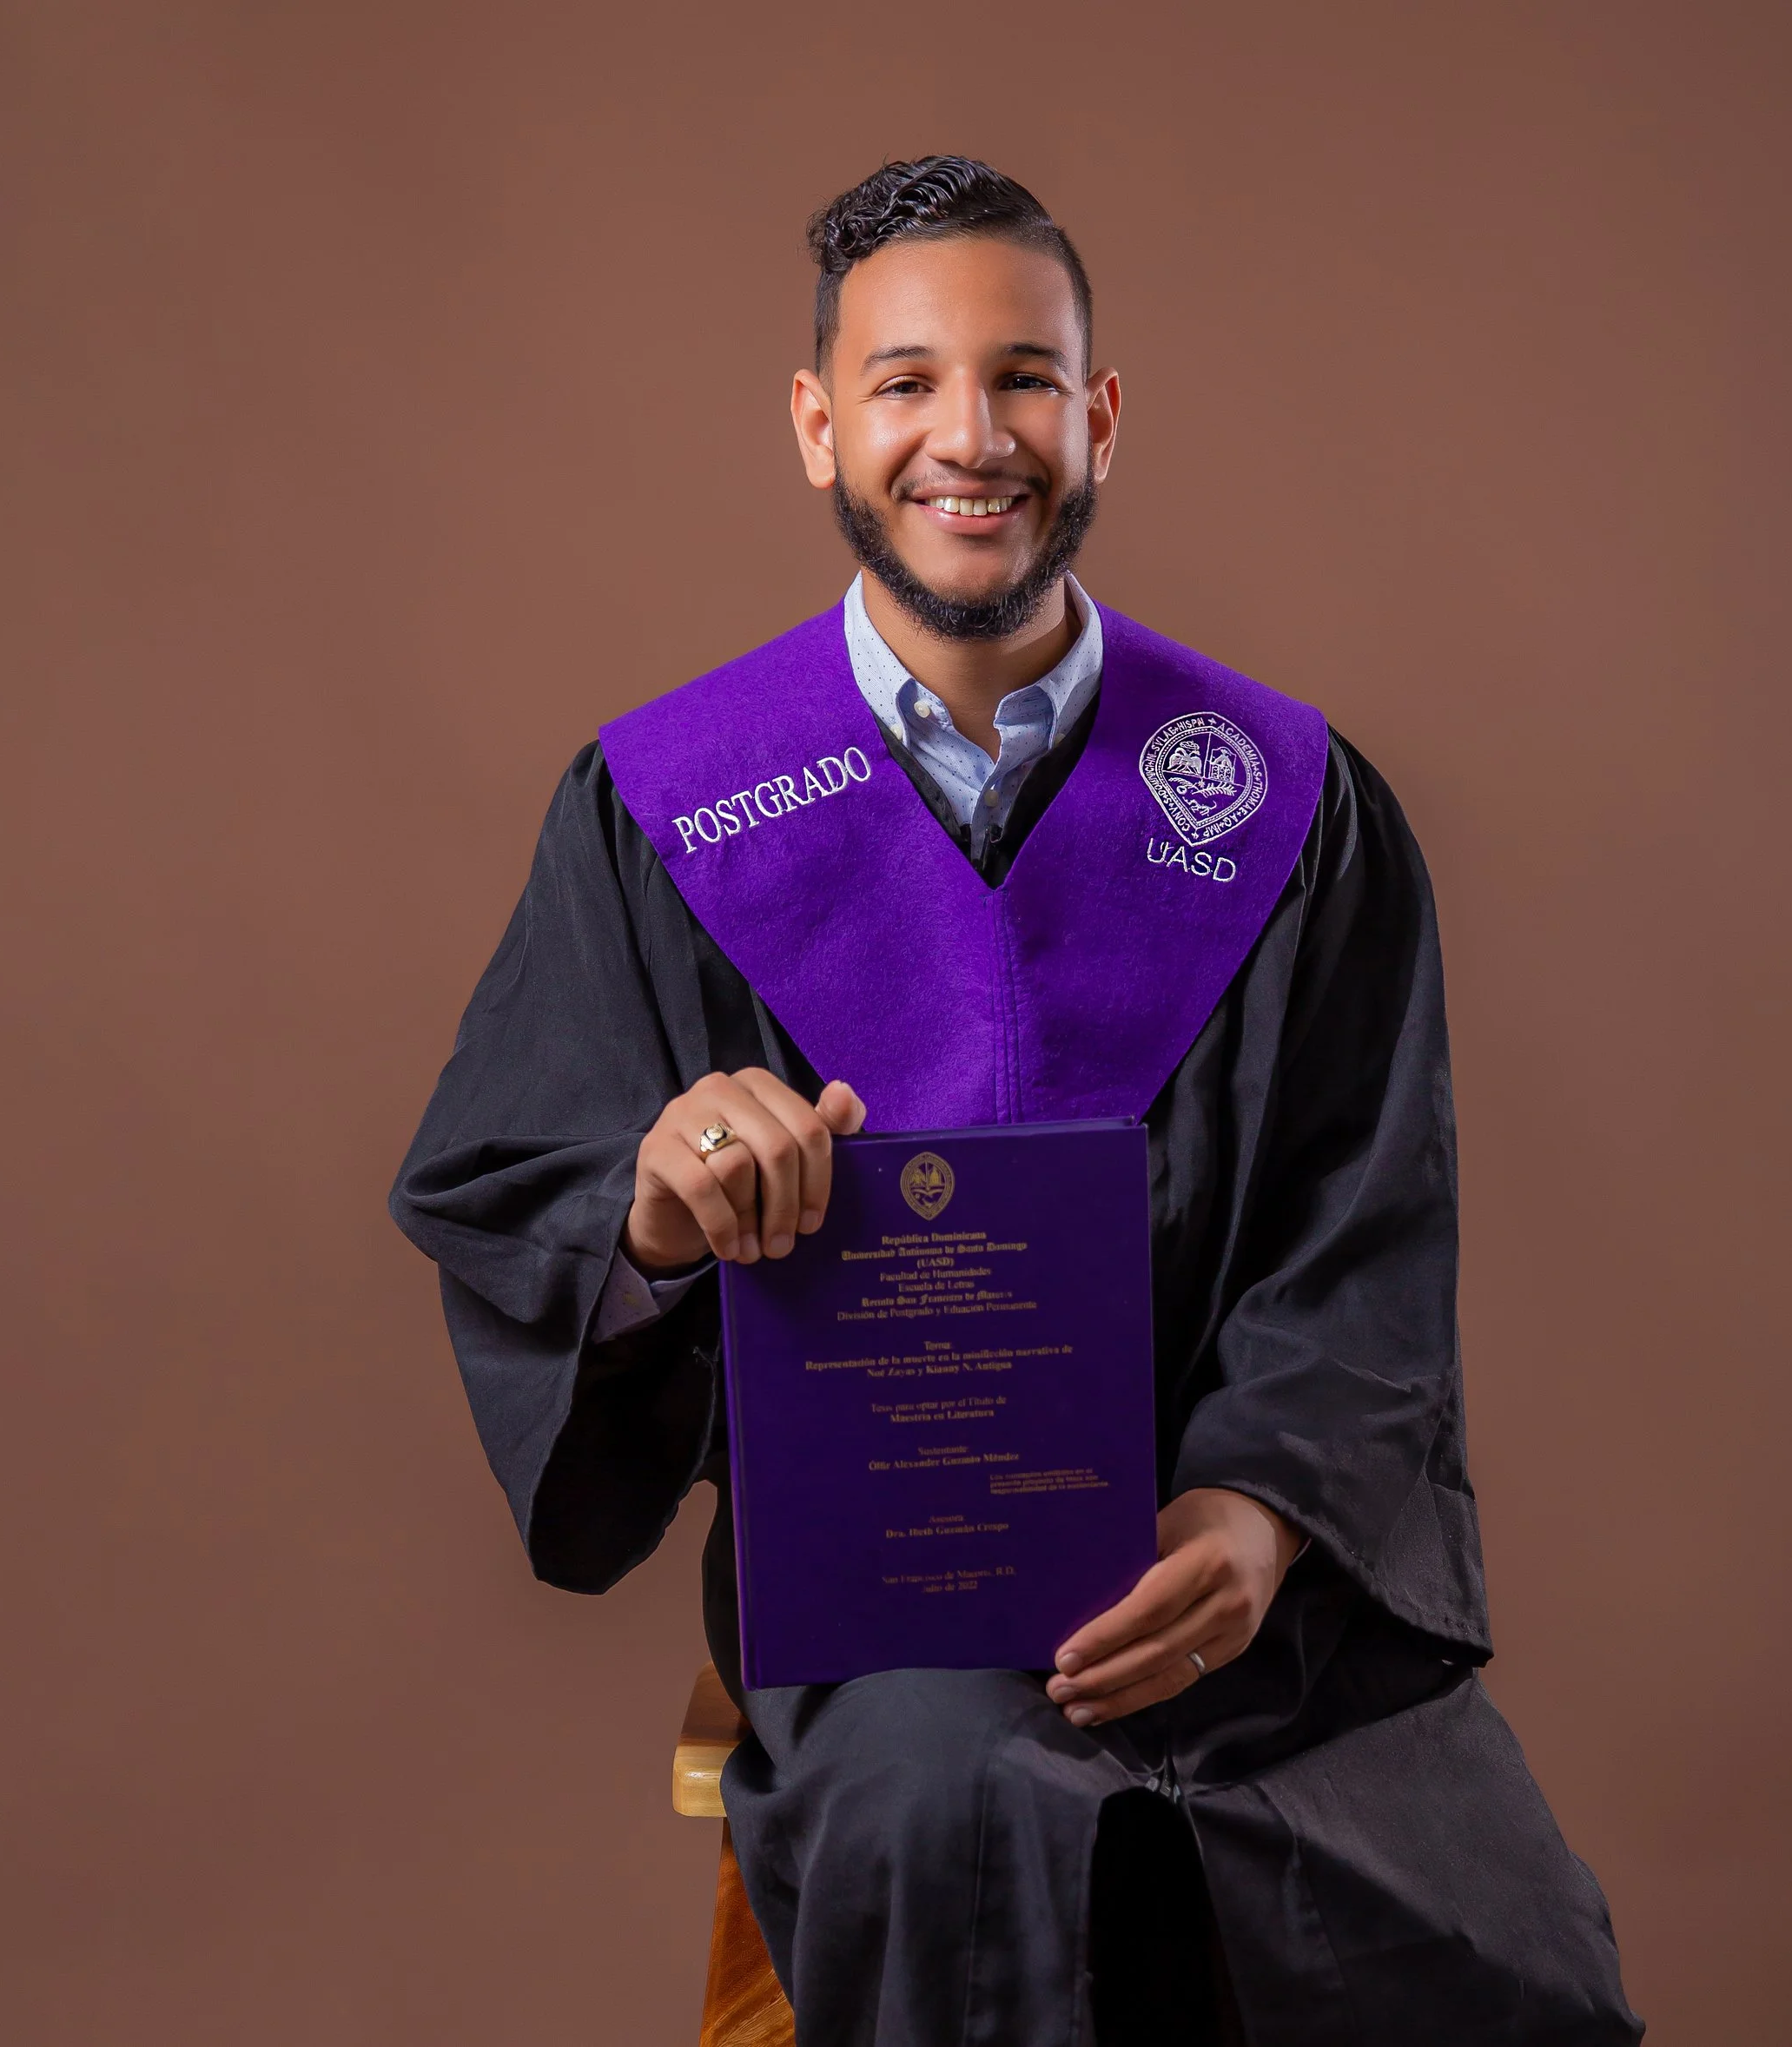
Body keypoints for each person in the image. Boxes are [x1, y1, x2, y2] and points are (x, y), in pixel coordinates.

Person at [391, 155, 1643, 2046]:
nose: (967, 437)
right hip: (895, 1620)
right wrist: (652, 1211)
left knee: (1500, 1941)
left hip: (1239, 1594)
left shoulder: (1284, 803)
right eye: (902, 383)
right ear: (818, 426)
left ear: (1098, 414)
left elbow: (1360, 1227)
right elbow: (523, 1185)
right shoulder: (664, 808)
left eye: (1024, 378)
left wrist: (1251, 1519)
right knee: (967, 1829)